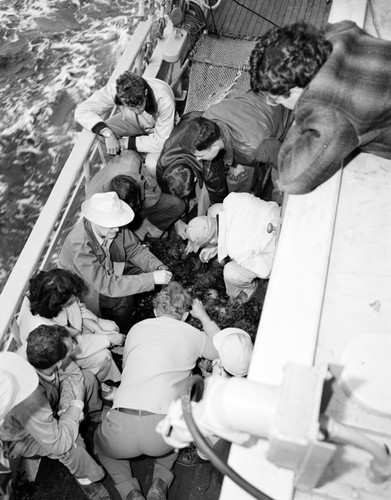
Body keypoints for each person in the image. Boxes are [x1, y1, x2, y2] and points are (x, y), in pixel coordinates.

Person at [94, 281, 220, 500]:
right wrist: (205, 318)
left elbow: (128, 368)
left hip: (121, 429)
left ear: (154, 311)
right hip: (162, 435)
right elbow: (222, 348)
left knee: (100, 445)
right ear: (184, 316)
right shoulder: (192, 333)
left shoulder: (136, 329)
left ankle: (129, 491)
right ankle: (160, 480)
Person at [249, 21, 391, 194]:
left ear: (294, 91)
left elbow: (290, 179)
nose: (273, 103)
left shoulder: (331, 116)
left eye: (274, 98)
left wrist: (301, 120)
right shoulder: (340, 32)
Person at [0, 325, 110, 500]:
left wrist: (68, 407)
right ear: (58, 362)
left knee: (87, 379)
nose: (74, 346)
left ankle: (91, 412)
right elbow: (59, 443)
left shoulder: (34, 350)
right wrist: (77, 403)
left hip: (50, 404)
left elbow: (72, 373)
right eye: (70, 348)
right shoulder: (30, 400)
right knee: (72, 445)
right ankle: (85, 478)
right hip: (24, 437)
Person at [156, 91, 291, 216]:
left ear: (214, 145)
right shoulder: (209, 116)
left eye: (200, 155)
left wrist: (283, 179)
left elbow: (280, 156)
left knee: (281, 189)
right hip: (261, 97)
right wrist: (233, 162)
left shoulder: (252, 149)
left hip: (287, 117)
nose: (197, 159)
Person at [59, 191, 172, 333]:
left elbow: (133, 250)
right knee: (123, 300)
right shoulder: (79, 245)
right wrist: (152, 278)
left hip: (108, 268)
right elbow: (107, 285)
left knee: (144, 273)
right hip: (85, 286)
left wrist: (157, 267)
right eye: (112, 226)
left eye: (118, 224)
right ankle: (122, 330)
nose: (118, 229)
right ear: (95, 221)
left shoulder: (113, 225)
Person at [18, 268, 124, 383]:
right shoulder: (42, 329)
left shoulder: (56, 290)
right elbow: (70, 347)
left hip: (70, 332)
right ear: (56, 305)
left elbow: (79, 308)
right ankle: (102, 382)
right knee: (103, 356)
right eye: (69, 301)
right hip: (61, 353)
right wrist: (107, 339)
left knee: (111, 327)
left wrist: (98, 330)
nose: (75, 299)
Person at [75, 71, 175, 177]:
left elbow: (160, 142)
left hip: (157, 129)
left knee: (152, 165)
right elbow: (82, 111)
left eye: (139, 106)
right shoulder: (115, 91)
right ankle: (118, 172)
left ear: (145, 93)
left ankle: (142, 175)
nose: (137, 111)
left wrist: (124, 143)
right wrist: (108, 134)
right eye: (131, 108)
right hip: (132, 121)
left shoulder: (164, 101)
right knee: (102, 135)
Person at [185, 192, 281, 303]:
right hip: (282, 215)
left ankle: (242, 292)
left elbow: (265, 271)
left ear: (212, 241)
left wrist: (221, 249)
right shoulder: (231, 199)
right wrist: (217, 246)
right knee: (214, 209)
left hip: (281, 245)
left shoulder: (235, 250)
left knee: (230, 272)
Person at [86, 150, 186, 241]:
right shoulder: (96, 201)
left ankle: (148, 228)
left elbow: (153, 190)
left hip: (145, 200)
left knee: (178, 206)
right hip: (116, 216)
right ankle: (134, 236)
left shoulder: (132, 161)